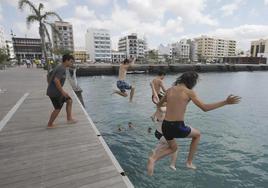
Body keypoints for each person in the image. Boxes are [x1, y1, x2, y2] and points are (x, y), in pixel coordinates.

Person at [147, 71, 241, 176]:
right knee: (197, 135)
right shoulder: (189, 92)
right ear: (191, 82)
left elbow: (159, 104)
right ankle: (189, 162)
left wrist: (167, 103)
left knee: (174, 148)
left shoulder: (169, 90)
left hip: (165, 126)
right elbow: (205, 108)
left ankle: (153, 159)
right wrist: (225, 102)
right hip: (177, 126)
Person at [46, 54, 77, 129]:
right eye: (71, 62)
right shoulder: (61, 68)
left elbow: (48, 75)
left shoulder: (59, 66)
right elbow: (56, 80)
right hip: (55, 93)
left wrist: (49, 84)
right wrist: (62, 92)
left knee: (69, 101)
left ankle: (69, 119)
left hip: (55, 91)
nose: (72, 64)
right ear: (66, 60)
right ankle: (50, 124)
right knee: (57, 108)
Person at [151, 101, 178, 171]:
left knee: (163, 143)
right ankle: (172, 164)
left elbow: (152, 117)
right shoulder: (164, 110)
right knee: (175, 148)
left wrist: (157, 121)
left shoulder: (158, 110)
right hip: (163, 134)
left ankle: (155, 151)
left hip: (158, 133)